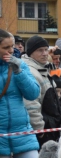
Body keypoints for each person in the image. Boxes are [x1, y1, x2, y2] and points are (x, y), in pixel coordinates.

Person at [0, 29, 41, 158]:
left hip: (21, 132)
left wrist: (19, 72)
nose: (11, 50)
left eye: (12, 46)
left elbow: (33, 94)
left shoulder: (20, 64)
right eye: (6, 47)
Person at [22, 35, 61, 147]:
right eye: (40, 50)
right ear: (30, 52)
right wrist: (39, 130)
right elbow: (31, 105)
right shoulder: (31, 72)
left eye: (46, 49)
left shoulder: (43, 68)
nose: (45, 53)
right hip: (43, 131)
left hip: (51, 127)